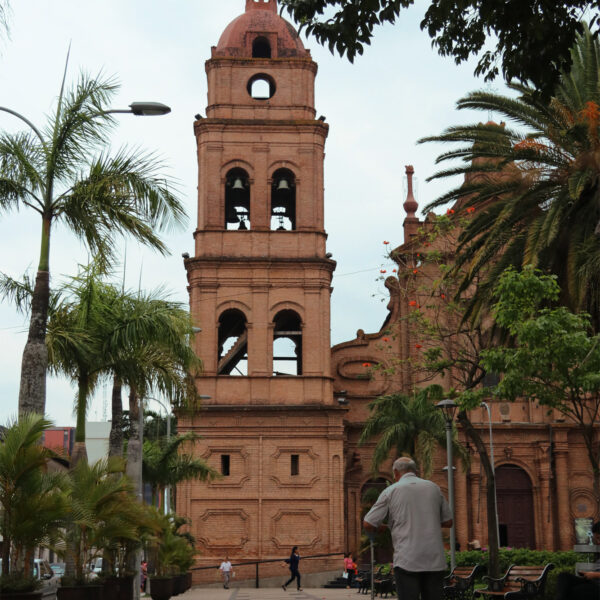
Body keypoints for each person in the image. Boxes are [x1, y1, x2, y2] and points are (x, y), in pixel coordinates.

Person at [363, 456, 453, 600]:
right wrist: (427, 521)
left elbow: (368, 523)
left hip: (407, 560)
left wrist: (383, 527)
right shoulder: (433, 487)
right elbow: (448, 522)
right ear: (415, 471)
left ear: (396, 472)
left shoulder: (391, 491)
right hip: (434, 559)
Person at [555, 521, 600, 600]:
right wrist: (588, 574)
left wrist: (594, 574)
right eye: (596, 539)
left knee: (575, 592)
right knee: (563, 576)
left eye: (599, 538)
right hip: (593, 582)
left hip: (597, 586)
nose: (598, 542)